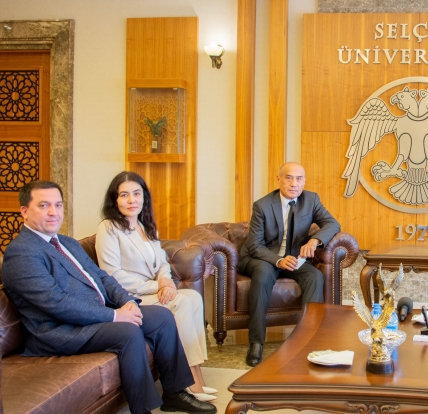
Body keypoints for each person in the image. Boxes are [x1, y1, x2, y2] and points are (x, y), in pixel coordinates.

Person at [1, 180, 216, 414]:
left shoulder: (66, 243)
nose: (54, 212)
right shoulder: (21, 253)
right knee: (127, 331)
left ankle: (175, 393)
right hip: (58, 331)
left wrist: (128, 302)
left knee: (162, 317)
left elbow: (102, 277)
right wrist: (114, 315)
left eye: (58, 205)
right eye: (44, 205)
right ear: (24, 211)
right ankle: (142, 409)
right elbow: (56, 303)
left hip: (91, 318)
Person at [95, 171, 217, 402]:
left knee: (193, 297)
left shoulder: (145, 226)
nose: (131, 200)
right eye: (124, 195)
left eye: (136, 194)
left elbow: (162, 263)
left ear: (144, 197)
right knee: (181, 302)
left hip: (152, 290)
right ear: (115, 200)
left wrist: (166, 281)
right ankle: (190, 382)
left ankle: (197, 373)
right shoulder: (108, 228)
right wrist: (156, 287)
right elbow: (112, 275)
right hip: (128, 296)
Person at [238, 162, 341, 366]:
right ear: (279, 179)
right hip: (262, 257)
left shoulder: (311, 199)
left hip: (293, 258)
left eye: (299, 178)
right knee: (263, 275)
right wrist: (278, 260)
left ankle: (308, 339)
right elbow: (255, 246)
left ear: (304, 181)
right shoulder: (262, 205)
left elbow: (332, 223)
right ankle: (256, 342)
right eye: (289, 177)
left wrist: (314, 241)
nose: (294, 183)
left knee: (315, 276)